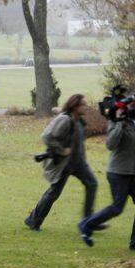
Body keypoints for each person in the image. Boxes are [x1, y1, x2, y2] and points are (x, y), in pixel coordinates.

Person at [78, 94, 135, 251]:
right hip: (118, 172)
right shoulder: (116, 120)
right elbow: (111, 144)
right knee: (117, 207)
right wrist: (119, 121)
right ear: (132, 106)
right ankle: (86, 224)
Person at [23, 94, 98, 231]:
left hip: (79, 163)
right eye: (83, 105)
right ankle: (33, 221)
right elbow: (46, 136)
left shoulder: (79, 120)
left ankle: (88, 222)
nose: (86, 107)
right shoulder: (65, 119)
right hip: (65, 164)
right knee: (53, 193)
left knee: (92, 184)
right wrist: (61, 150)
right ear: (75, 106)